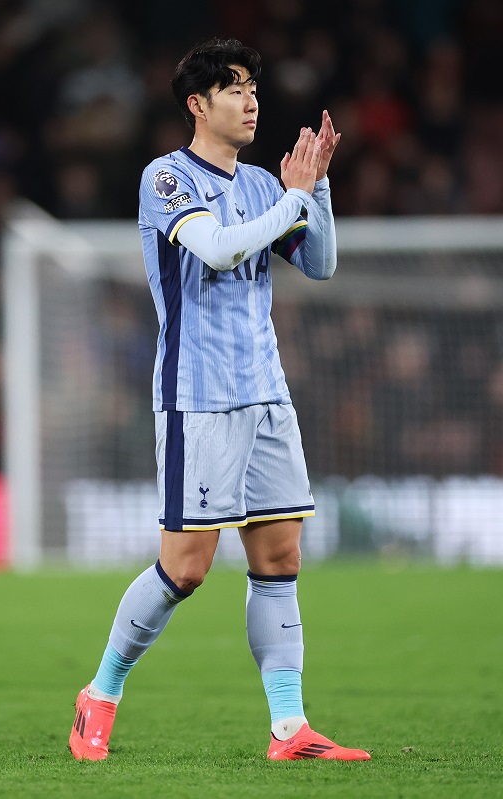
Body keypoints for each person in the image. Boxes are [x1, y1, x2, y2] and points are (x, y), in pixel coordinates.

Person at [68, 39, 369, 762]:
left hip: (265, 391)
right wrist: (295, 196)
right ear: (198, 105)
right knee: (186, 568)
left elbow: (320, 264)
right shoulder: (166, 179)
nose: (251, 100)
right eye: (234, 89)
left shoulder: (268, 184)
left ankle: (289, 727)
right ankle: (100, 692)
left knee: (279, 554)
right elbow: (220, 250)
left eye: (254, 88)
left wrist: (316, 186)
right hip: (196, 398)